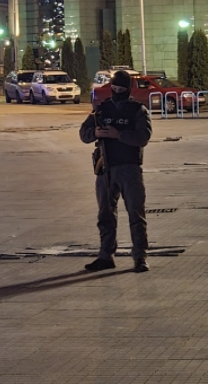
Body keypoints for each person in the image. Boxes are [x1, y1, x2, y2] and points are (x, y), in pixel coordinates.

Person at [79, 70, 153, 273]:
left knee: (136, 215)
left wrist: (118, 134)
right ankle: (106, 256)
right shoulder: (102, 110)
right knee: (105, 215)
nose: (117, 92)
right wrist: (95, 132)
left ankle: (140, 257)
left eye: (121, 89)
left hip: (129, 168)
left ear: (128, 89)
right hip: (106, 169)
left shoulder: (137, 110)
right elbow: (83, 134)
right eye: (114, 88)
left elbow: (143, 137)